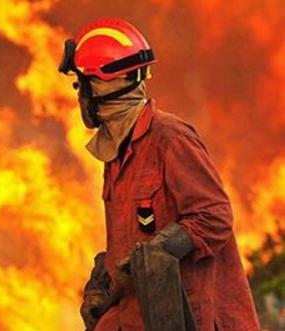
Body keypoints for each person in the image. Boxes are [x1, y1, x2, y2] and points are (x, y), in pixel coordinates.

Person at [59, 17, 260, 331]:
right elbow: (130, 240)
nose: (81, 96)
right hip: (137, 318)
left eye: (84, 83)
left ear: (111, 83)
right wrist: (100, 283)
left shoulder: (170, 139)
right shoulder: (117, 152)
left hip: (192, 318)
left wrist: (156, 253)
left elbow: (214, 216)